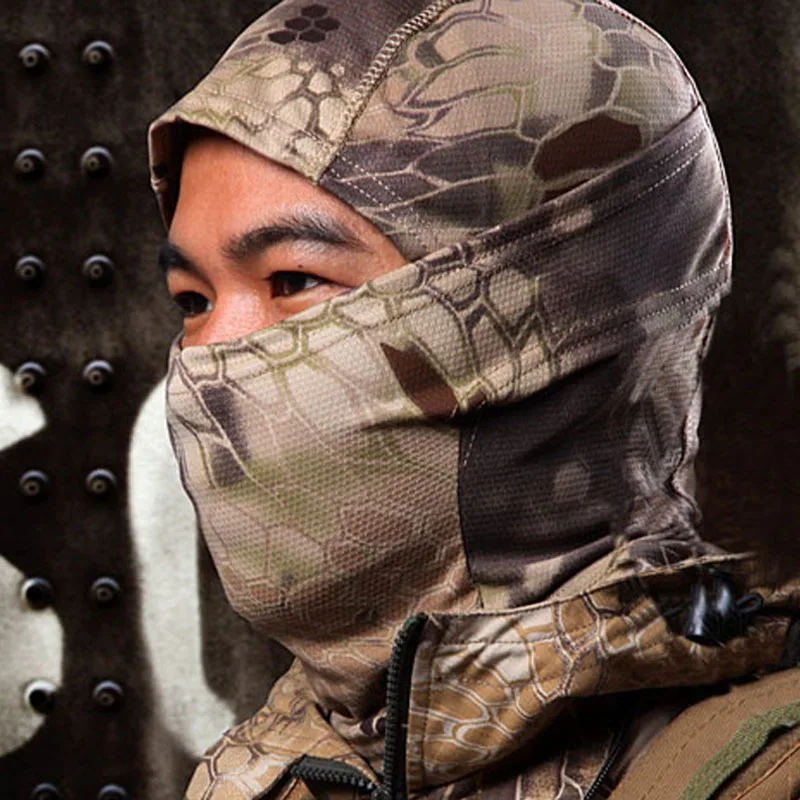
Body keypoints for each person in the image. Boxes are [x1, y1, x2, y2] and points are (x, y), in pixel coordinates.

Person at [148, 1, 800, 798]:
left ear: (545, 313)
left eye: (293, 280)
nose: (209, 360)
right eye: (193, 300)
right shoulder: (266, 775)